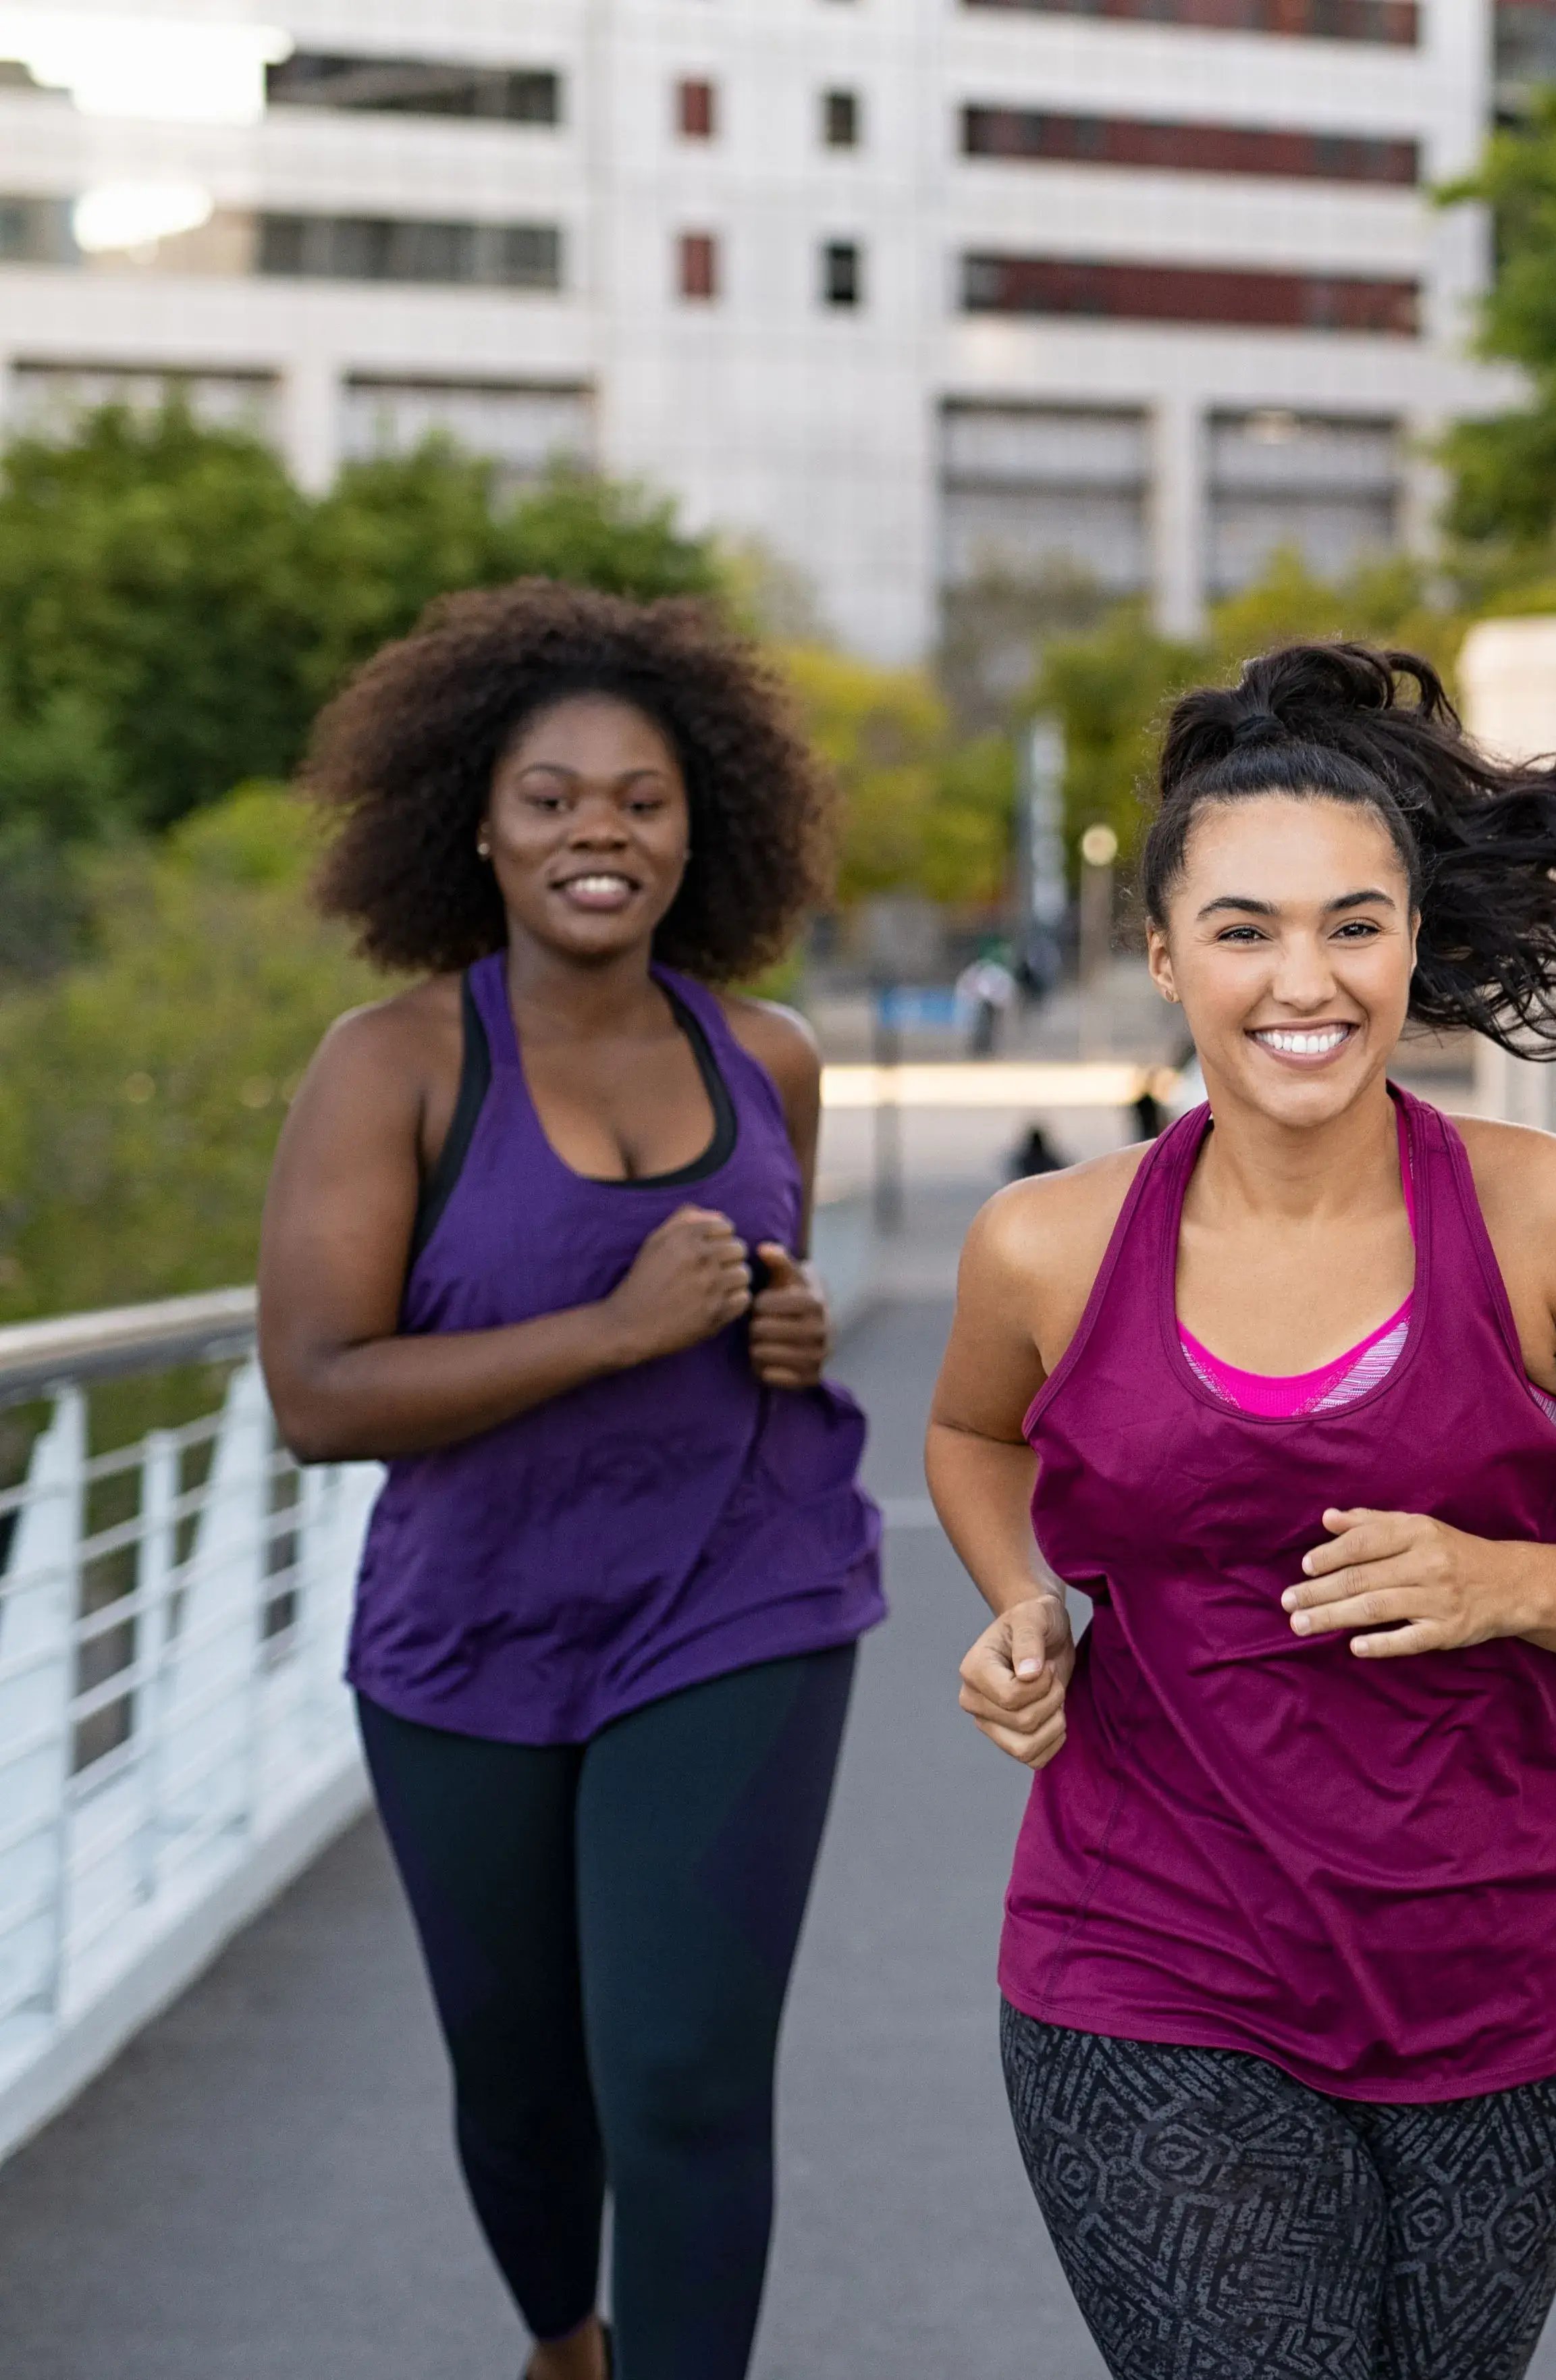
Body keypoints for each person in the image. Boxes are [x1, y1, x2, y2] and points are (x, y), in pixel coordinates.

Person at [930, 641, 1556, 2380]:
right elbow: (971, 1432)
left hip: (1504, 1975)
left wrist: (1503, 1582)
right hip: (1148, 1953)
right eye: (1242, 928)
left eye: (1351, 923)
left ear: (1411, 945)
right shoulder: (1047, 1242)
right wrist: (1025, 1601)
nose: (1300, 978)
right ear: (1162, 954)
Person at [257, 581, 884, 2380]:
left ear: (704, 828)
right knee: (524, 2086)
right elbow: (317, 1391)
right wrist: (612, 1330)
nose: (597, 828)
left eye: (641, 797)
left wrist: (790, 1325)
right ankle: (563, 2335)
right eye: (551, 796)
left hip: (741, 1598)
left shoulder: (767, 1055)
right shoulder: (392, 1067)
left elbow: (765, 1299)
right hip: (475, 1627)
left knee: (685, 2070)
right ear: (475, 819)